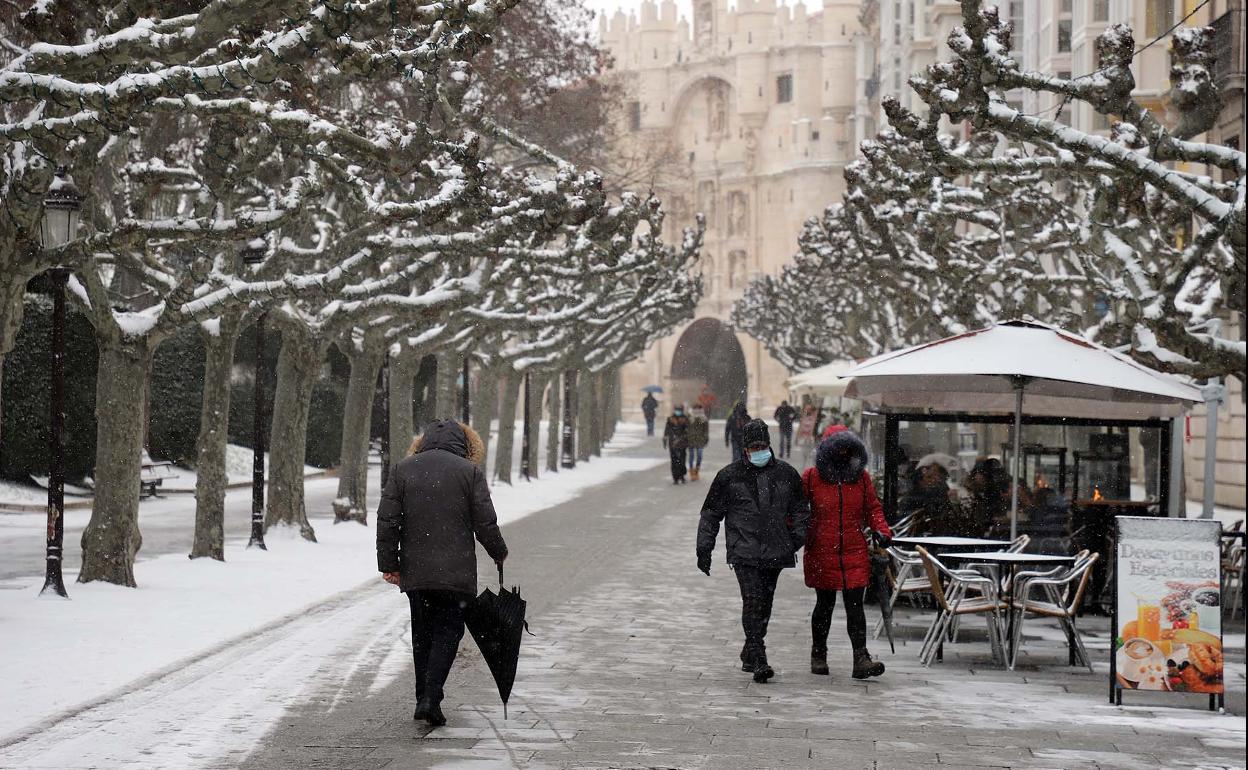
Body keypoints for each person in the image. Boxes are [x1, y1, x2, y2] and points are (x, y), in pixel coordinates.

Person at [376, 420, 508, 728]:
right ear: (468, 446)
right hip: (456, 572)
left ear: (422, 442)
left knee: (422, 633)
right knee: (449, 630)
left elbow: (387, 520)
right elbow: (484, 522)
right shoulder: (469, 472)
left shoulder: (402, 470)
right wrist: (498, 551)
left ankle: (424, 696)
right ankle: (431, 697)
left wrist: (389, 563)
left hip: (417, 571)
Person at [697, 419, 810, 683]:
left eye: (762, 445)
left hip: (776, 551)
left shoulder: (786, 474)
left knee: (765, 604)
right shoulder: (729, 476)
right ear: (745, 448)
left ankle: (750, 650)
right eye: (753, 446)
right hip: (744, 552)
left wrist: (794, 540)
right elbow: (711, 514)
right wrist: (704, 548)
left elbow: (801, 511)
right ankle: (759, 657)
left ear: (768, 445)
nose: (758, 450)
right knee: (753, 600)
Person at [802, 426, 892, 679]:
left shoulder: (860, 478)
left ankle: (860, 657)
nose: (842, 452)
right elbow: (797, 510)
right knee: (825, 604)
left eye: (847, 448)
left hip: (854, 549)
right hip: (822, 550)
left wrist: (882, 531)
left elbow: (873, 508)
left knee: (855, 607)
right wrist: (795, 535)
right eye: (838, 447)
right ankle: (818, 653)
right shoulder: (811, 477)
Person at [663, 405, 691, 484]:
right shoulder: (670, 419)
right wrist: (665, 441)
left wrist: (687, 441)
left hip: (682, 444)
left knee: (682, 461)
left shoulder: (685, 419)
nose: (677, 412)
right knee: (674, 461)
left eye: (679, 410)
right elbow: (666, 431)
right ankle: (675, 477)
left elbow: (688, 431)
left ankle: (682, 476)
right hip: (672, 443)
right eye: (676, 410)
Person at [686, 405, 710, 481]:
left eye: (698, 410)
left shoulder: (703, 419)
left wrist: (705, 438)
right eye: (695, 409)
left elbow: (706, 430)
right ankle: (691, 471)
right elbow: (685, 429)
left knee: (699, 455)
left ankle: (697, 470)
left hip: (700, 440)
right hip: (691, 440)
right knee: (691, 456)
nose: (696, 411)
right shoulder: (689, 418)